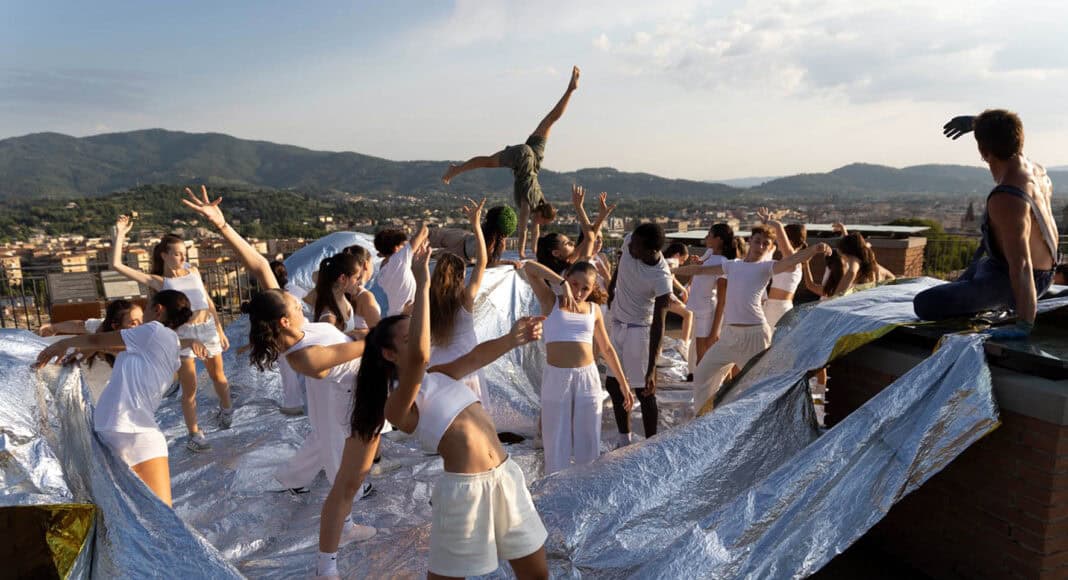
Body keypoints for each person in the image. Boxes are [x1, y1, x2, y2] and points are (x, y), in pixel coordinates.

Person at [329, 239, 547, 580]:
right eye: (407, 338)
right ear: (389, 355)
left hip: (505, 476)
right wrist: (423, 282)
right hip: (465, 491)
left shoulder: (436, 376)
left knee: (537, 575)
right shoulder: (398, 404)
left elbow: (475, 358)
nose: (419, 341)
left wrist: (512, 339)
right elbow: (418, 358)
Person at [182, 187, 376, 539]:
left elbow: (257, 265)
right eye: (291, 304)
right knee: (337, 460)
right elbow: (356, 349)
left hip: (337, 395)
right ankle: (344, 526)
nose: (296, 300)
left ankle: (294, 479)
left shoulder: (297, 326)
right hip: (338, 400)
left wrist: (223, 226)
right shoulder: (302, 355)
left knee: (326, 446)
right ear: (284, 320)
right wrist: (370, 338)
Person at [34, 290, 205, 506]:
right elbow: (107, 343)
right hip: (136, 433)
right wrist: (84, 347)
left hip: (118, 429)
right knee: (160, 518)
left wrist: (61, 343)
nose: (141, 321)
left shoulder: (152, 331)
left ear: (158, 309)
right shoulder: (168, 347)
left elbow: (98, 338)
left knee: (134, 516)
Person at [915, 110, 1058, 338]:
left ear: (983, 151)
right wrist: (977, 124)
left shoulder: (1008, 196)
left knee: (925, 303)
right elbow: (1006, 136)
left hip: (1017, 278)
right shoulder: (1037, 172)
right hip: (1017, 268)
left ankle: (999, 304)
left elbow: (1021, 265)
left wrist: (1024, 323)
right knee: (969, 275)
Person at [110, 214, 231, 451]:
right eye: (177, 253)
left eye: (184, 252)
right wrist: (120, 233)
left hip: (207, 330)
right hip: (183, 336)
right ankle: (194, 433)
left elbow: (208, 302)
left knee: (219, 376)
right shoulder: (160, 282)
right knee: (190, 387)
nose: (182, 257)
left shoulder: (193, 270)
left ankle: (227, 411)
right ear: (164, 255)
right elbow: (116, 266)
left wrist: (219, 328)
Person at [679, 226, 832, 414]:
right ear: (750, 241)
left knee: (760, 388)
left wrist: (815, 249)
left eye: (766, 244)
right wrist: (671, 269)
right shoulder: (733, 265)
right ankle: (703, 419)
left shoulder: (766, 267)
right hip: (729, 336)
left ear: (770, 248)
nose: (760, 246)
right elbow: (701, 270)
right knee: (702, 374)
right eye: (757, 241)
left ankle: (770, 422)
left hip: (755, 336)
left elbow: (792, 259)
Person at [443, 66, 582, 259]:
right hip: (523, 158)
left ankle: (570, 90)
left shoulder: (540, 201)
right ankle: (456, 169)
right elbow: (524, 229)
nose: (540, 225)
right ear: (541, 215)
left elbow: (535, 231)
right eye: (542, 222)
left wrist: (534, 250)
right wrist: (521, 253)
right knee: (487, 161)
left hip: (534, 159)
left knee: (550, 120)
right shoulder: (529, 203)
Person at [524, 260, 633, 474]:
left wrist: (623, 384)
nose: (579, 292)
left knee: (589, 438)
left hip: (588, 378)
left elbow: (607, 349)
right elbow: (529, 267)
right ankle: (555, 491)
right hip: (557, 378)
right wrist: (560, 282)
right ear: (567, 278)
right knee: (556, 438)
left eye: (586, 288)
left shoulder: (594, 310)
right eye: (575, 284)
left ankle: (586, 488)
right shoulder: (550, 301)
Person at [604, 223, 673, 445]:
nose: (630, 246)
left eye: (635, 246)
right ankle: (625, 439)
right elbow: (621, 262)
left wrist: (652, 367)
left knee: (644, 389)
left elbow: (659, 324)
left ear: (650, 251)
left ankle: (651, 444)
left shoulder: (661, 278)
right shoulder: (629, 241)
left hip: (639, 332)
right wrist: (612, 288)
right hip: (617, 325)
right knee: (614, 384)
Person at [429, 199, 491, 404]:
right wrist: (476, 225)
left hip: (437, 365)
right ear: (460, 276)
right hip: (465, 364)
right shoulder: (465, 298)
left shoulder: (428, 298)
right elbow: (482, 261)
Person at [38, 299, 145, 403]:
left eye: (143, 320)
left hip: (114, 400)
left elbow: (121, 348)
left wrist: (94, 347)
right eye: (133, 323)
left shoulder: (138, 343)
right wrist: (53, 328)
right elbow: (79, 325)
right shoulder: (100, 328)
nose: (142, 326)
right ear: (115, 326)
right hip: (85, 391)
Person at [687, 224, 738, 368]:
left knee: (702, 362)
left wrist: (714, 332)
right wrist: (698, 262)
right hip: (699, 311)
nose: (706, 238)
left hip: (706, 314)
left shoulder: (722, 263)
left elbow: (722, 300)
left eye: (709, 235)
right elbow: (701, 265)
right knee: (700, 359)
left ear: (719, 239)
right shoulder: (709, 253)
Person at [757, 208, 808, 327]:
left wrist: (770, 222)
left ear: (788, 240)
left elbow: (779, 227)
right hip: (774, 307)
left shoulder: (792, 260)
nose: (778, 242)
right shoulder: (790, 261)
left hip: (779, 309)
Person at [426, 205, 521, 268]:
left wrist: (508, 262)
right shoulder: (491, 241)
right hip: (459, 241)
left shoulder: (493, 241)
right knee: (428, 240)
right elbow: (489, 262)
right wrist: (508, 262)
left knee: (431, 252)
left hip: (461, 246)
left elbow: (488, 262)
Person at [271, 260, 307, 415]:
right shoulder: (296, 290)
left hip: (288, 333)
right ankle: (299, 401)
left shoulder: (280, 295)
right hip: (300, 331)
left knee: (288, 370)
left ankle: (293, 402)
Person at [374, 224, 429, 317]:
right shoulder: (398, 260)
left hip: (392, 319)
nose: (406, 247)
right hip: (404, 321)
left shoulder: (384, 267)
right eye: (403, 245)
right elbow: (424, 230)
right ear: (396, 249)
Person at [662, 242, 696, 365]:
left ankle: (681, 344)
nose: (682, 263)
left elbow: (672, 278)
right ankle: (683, 343)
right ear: (677, 255)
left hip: (664, 296)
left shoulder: (667, 261)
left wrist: (682, 289)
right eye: (683, 260)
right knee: (688, 313)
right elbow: (667, 278)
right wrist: (673, 296)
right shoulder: (671, 262)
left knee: (660, 323)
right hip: (665, 296)